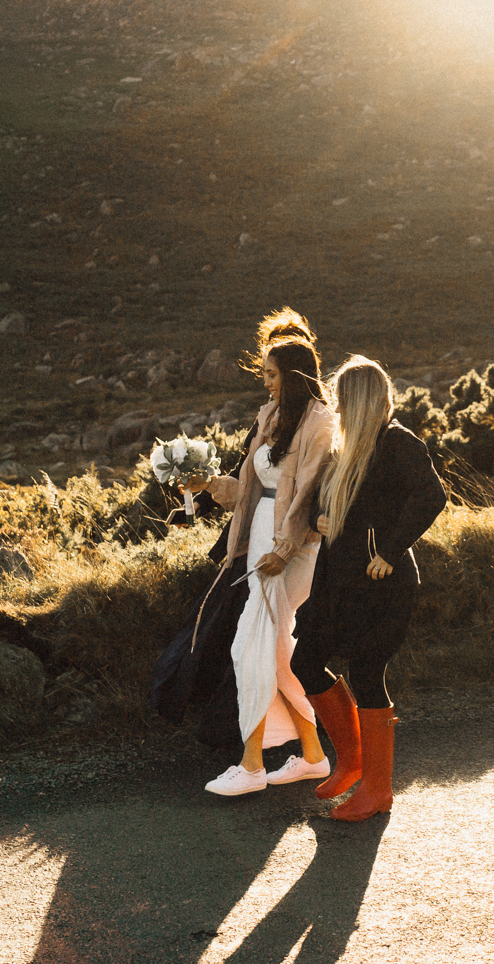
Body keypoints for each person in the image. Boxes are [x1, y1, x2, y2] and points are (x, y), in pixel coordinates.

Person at [182, 311, 336, 795]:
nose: (264, 382)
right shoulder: (270, 416)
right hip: (259, 546)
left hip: (291, 551)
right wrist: (206, 485)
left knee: (249, 646)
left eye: (270, 374)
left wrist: (285, 549)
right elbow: (252, 488)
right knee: (278, 654)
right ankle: (313, 755)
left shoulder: (321, 424)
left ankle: (250, 767)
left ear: (291, 376)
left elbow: (309, 493)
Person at [292, 356, 446, 822]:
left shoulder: (398, 443)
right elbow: (327, 499)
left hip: (382, 582)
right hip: (338, 579)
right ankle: (353, 763)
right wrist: (320, 516)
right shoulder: (345, 449)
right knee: (305, 660)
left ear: (360, 400)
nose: (334, 407)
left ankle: (378, 790)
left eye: (341, 399)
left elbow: (431, 496)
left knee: (365, 670)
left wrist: (392, 550)